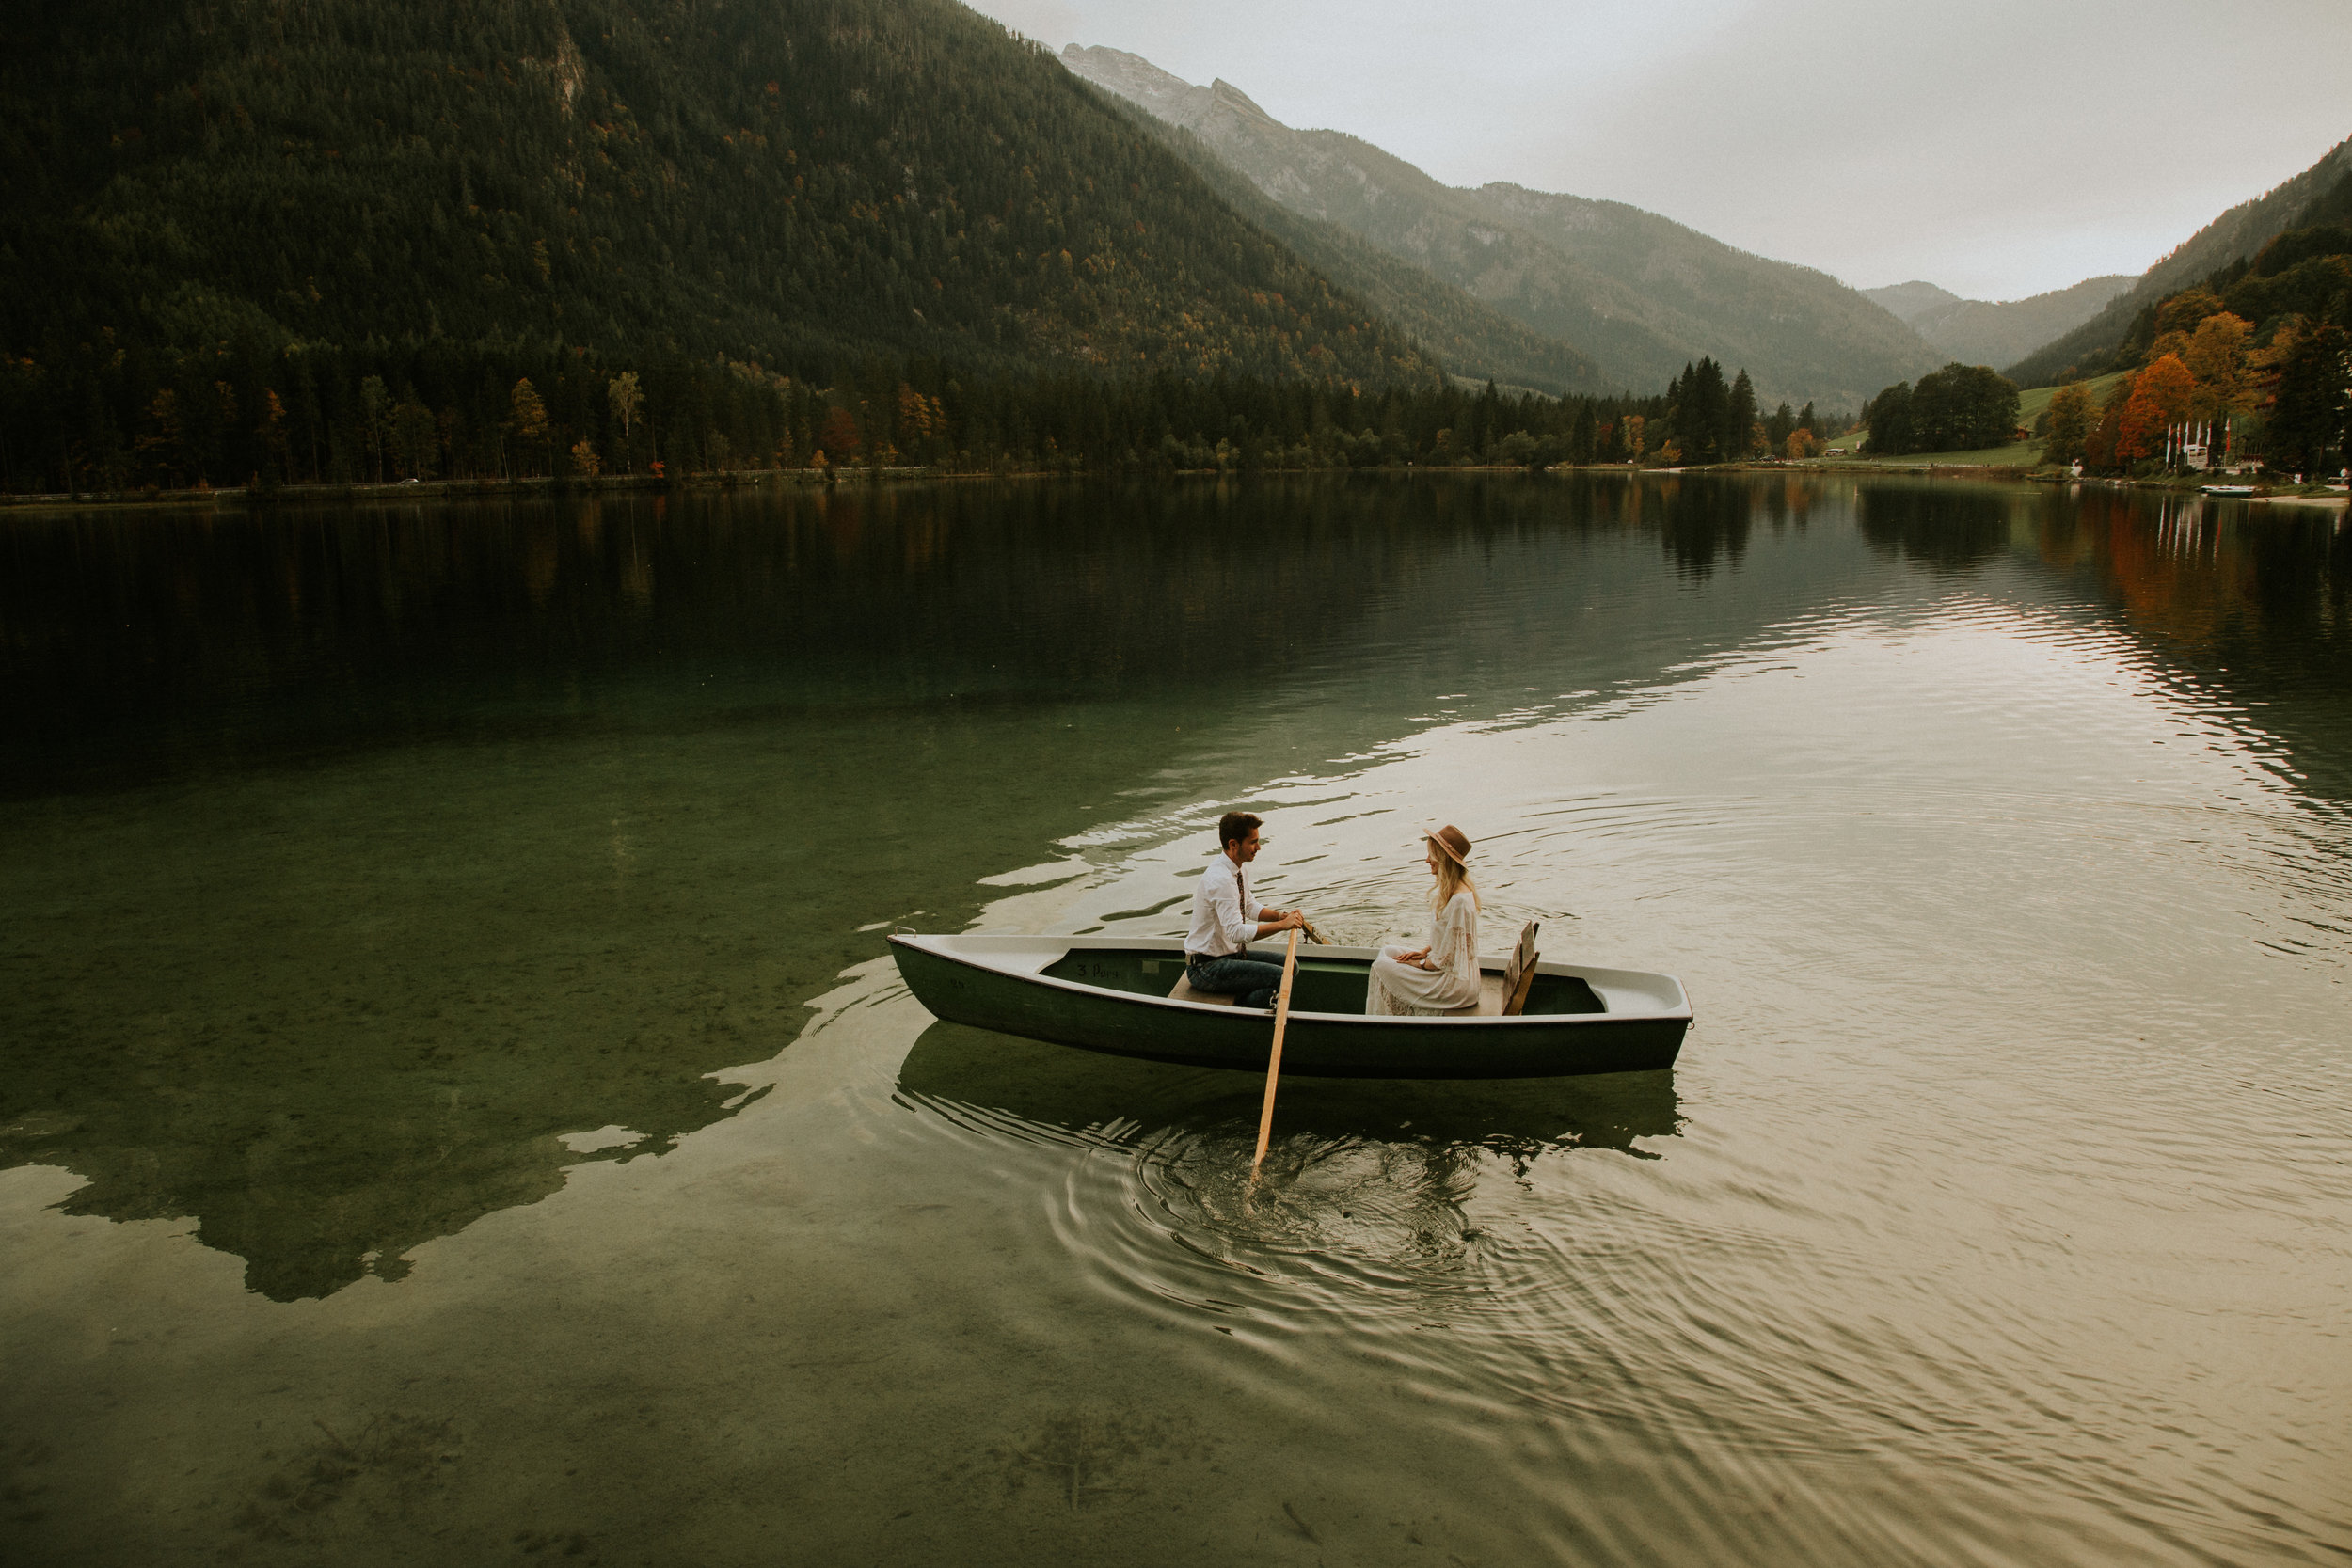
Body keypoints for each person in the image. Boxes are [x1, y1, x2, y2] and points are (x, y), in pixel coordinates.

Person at [1184, 811, 1308, 1009]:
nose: (1258, 847)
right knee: (1281, 977)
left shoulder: (1238, 869)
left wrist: (1279, 916)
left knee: (1291, 966)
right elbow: (1236, 933)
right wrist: (1282, 925)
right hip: (1205, 968)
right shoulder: (1221, 879)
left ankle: (1245, 999)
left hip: (1229, 956)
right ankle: (1242, 1010)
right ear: (1233, 844)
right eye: (1253, 842)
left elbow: (1249, 906)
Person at [1365, 824, 1481, 1016]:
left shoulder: (1460, 901)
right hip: (1446, 971)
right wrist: (1424, 952)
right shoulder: (1452, 892)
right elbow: (1451, 942)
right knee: (1388, 951)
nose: (1427, 860)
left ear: (1443, 858)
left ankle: (1390, 1023)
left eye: (1431, 855)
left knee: (1381, 967)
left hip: (1454, 985)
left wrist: (1419, 964)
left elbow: (1450, 959)